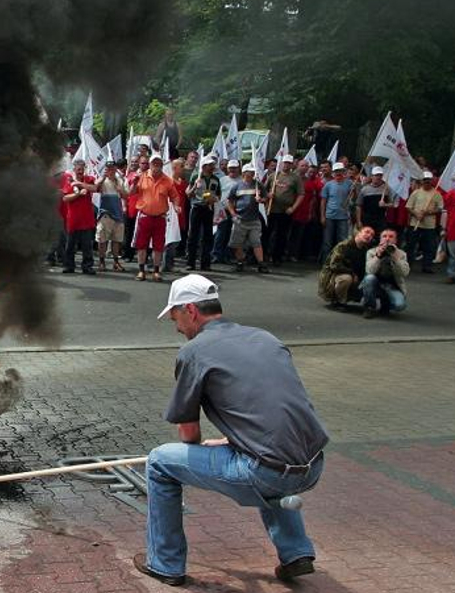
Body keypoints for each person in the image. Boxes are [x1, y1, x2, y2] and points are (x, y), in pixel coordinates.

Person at [136, 274, 328, 587]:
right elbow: (278, 411)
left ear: (191, 310)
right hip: (312, 464)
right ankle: (296, 553)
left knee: (159, 462)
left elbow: (188, 434)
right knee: (274, 466)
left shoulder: (194, 351)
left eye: (176, 317)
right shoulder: (265, 338)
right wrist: (232, 441)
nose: (177, 326)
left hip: (268, 471)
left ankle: (165, 564)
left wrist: (198, 453)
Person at [131, 154, 179, 282]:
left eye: (158, 164)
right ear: (150, 164)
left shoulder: (167, 180)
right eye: (154, 163)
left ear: (162, 165)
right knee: (142, 245)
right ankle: (141, 270)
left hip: (160, 217)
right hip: (145, 216)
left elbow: (174, 196)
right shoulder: (141, 177)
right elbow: (131, 192)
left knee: (158, 246)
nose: (156, 166)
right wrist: (134, 183)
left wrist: (176, 205)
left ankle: (156, 271)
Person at [318, 225, 375, 308]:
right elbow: (334, 265)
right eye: (367, 232)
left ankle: (351, 298)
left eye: (372, 235)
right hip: (333, 277)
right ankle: (338, 301)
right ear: (358, 233)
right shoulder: (344, 246)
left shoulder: (366, 250)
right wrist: (352, 273)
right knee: (346, 278)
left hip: (355, 278)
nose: (369, 235)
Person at [226, 164, 269, 273]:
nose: (252, 173)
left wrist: (261, 200)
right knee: (238, 243)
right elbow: (230, 201)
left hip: (254, 219)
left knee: (256, 242)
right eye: (250, 171)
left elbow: (266, 197)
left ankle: (261, 263)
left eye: (253, 172)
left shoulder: (258, 185)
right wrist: (233, 214)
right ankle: (240, 261)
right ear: (244, 173)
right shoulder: (237, 186)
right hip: (240, 219)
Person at [60, 159, 97, 275]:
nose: (80, 171)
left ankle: (87, 266)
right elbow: (65, 198)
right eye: (78, 169)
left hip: (86, 218)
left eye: (82, 169)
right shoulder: (69, 181)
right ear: (74, 170)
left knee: (87, 245)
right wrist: (77, 194)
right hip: (73, 218)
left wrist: (80, 184)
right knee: (70, 244)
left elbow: (95, 188)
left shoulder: (89, 179)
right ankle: (69, 265)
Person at [361, 228, 409, 318]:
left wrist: (396, 258)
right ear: (380, 239)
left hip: (391, 285)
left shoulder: (401, 254)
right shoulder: (371, 252)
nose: (387, 239)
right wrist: (378, 256)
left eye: (391, 237)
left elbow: (404, 273)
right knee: (369, 278)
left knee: (399, 305)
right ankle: (369, 308)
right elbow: (369, 271)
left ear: (395, 240)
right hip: (375, 283)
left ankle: (386, 304)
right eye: (384, 236)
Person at [266, 155, 304, 266]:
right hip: (272, 210)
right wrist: (268, 195)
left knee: (281, 235)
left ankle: (277, 257)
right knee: (268, 234)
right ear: (281, 163)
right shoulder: (273, 175)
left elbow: (301, 194)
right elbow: (264, 190)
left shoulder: (295, 178)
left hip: (285, 211)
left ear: (292, 164)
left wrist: (293, 208)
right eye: (284, 162)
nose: (286, 165)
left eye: (289, 163)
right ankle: (265, 255)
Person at [185, 156, 219, 271]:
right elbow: (188, 194)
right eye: (210, 165)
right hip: (197, 207)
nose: (212, 167)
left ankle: (206, 263)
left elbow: (218, 195)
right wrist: (195, 186)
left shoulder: (216, 179)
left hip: (209, 208)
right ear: (204, 166)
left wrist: (213, 199)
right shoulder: (196, 177)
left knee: (207, 236)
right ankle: (190, 262)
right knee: (193, 235)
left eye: (213, 165)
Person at [404, 172, 443, 273]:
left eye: (428, 180)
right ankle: (407, 265)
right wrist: (416, 214)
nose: (427, 182)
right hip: (415, 223)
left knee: (429, 246)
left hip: (430, 225)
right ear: (422, 181)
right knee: (411, 245)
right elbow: (408, 207)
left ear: (431, 181)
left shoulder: (436, 194)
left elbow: (440, 209)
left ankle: (427, 266)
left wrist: (429, 212)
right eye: (425, 180)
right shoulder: (416, 193)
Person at [94, 160, 128, 271]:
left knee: (116, 240)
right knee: (102, 239)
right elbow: (95, 187)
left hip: (117, 213)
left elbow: (126, 195)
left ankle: (116, 262)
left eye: (112, 169)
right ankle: (102, 261)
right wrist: (103, 178)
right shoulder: (102, 180)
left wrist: (120, 189)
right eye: (108, 169)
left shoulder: (120, 180)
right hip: (105, 213)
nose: (111, 171)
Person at [319, 162, 354, 262]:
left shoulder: (350, 183)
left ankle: (340, 262)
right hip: (329, 216)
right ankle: (326, 262)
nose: (338, 173)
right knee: (327, 241)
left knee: (342, 241)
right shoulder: (328, 185)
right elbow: (323, 201)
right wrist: (322, 216)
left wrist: (353, 192)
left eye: (340, 171)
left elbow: (353, 199)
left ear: (344, 172)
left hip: (343, 217)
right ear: (333, 173)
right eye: (336, 171)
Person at [212, 160, 240, 265]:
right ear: (227, 169)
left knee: (231, 234)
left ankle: (227, 255)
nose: (232, 170)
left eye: (235, 168)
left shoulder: (241, 181)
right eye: (231, 168)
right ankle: (216, 255)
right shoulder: (222, 180)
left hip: (236, 211)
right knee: (220, 233)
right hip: (222, 210)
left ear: (238, 168)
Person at [122, 155, 148, 262]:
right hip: (132, 207)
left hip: (145, 207)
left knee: (144, 233)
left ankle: (144, 256)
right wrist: (124, 205)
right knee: (130, 232)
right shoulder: (131, 175)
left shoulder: (150, 176)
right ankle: (128, 254)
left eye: (146, 163)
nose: (143, 165)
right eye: (142, 163)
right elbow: (125, 192)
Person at [356, 166, 389, 236]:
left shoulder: (386, 189)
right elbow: (358, 205)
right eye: (376, 175)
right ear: (371, 176)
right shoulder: (364, 189)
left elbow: (393, 204)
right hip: (367, 219)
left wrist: (385, 205)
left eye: (380, 175)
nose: (378, 177)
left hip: (381, 220)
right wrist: (359, 221)